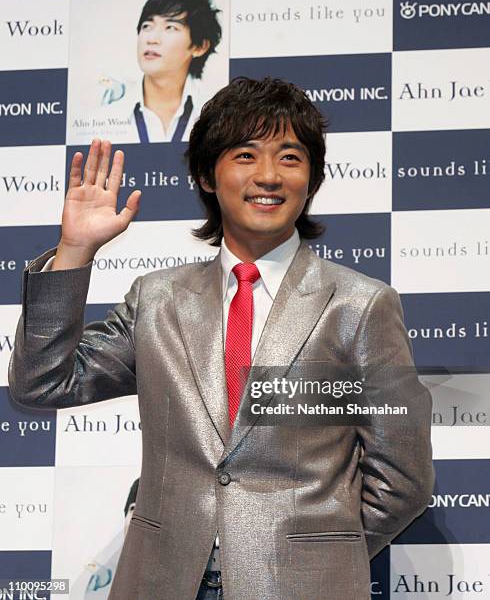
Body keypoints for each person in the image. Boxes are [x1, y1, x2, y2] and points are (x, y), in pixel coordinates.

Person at [9, 77, 434, 599]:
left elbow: (402, 478)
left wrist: (311, 554)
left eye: (290, 157)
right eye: (245, 155)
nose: (269, 176)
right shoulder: (157, 300)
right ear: (208, 175)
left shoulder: (359, 306)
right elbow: (41, 384)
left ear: (312, 178)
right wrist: (74, 252)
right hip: (161, 583)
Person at [69, 0, 222, 145]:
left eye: (170, 27)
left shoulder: (218, 118)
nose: (152, 38)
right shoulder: (100, 123)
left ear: (199, 47)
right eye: (147, 26)